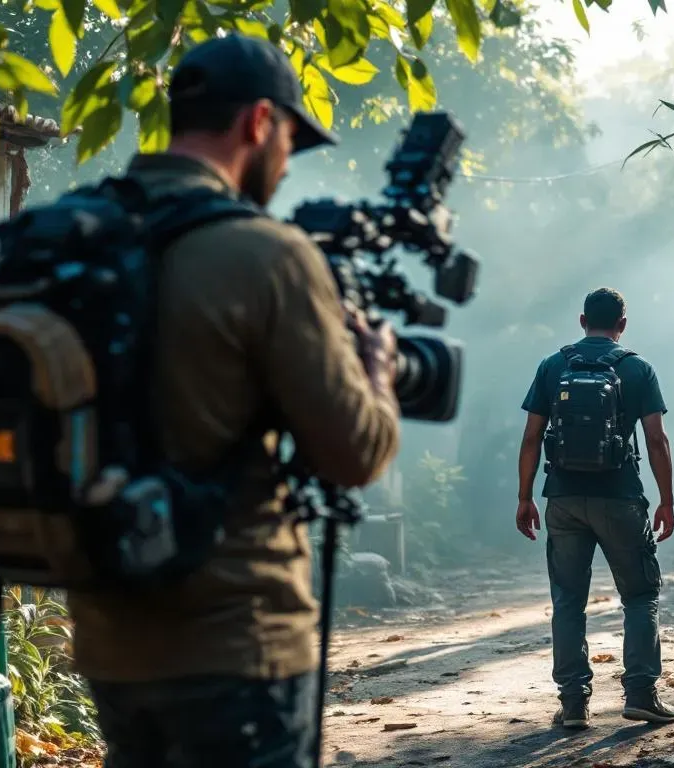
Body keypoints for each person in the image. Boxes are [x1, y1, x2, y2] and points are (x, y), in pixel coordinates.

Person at [65, 35, 402, 768]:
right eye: (288, 138)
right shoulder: (265, 254)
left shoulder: (79, 234)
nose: (285, 164)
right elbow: (352, 453)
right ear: (258, 122)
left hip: (107, 638)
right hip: (236, 644)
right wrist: (376, 371)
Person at [515, 287, 674, 730]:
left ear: (582, 320)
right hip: (621, 499)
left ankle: (573, 704)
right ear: (622, 325)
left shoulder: (553, 366)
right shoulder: (637, 368)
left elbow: (531, 438)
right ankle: (641, 694)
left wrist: (525, 496)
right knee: (640, 595)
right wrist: (666, 499)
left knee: (568, 601)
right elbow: (656, 440)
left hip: (563, 500)